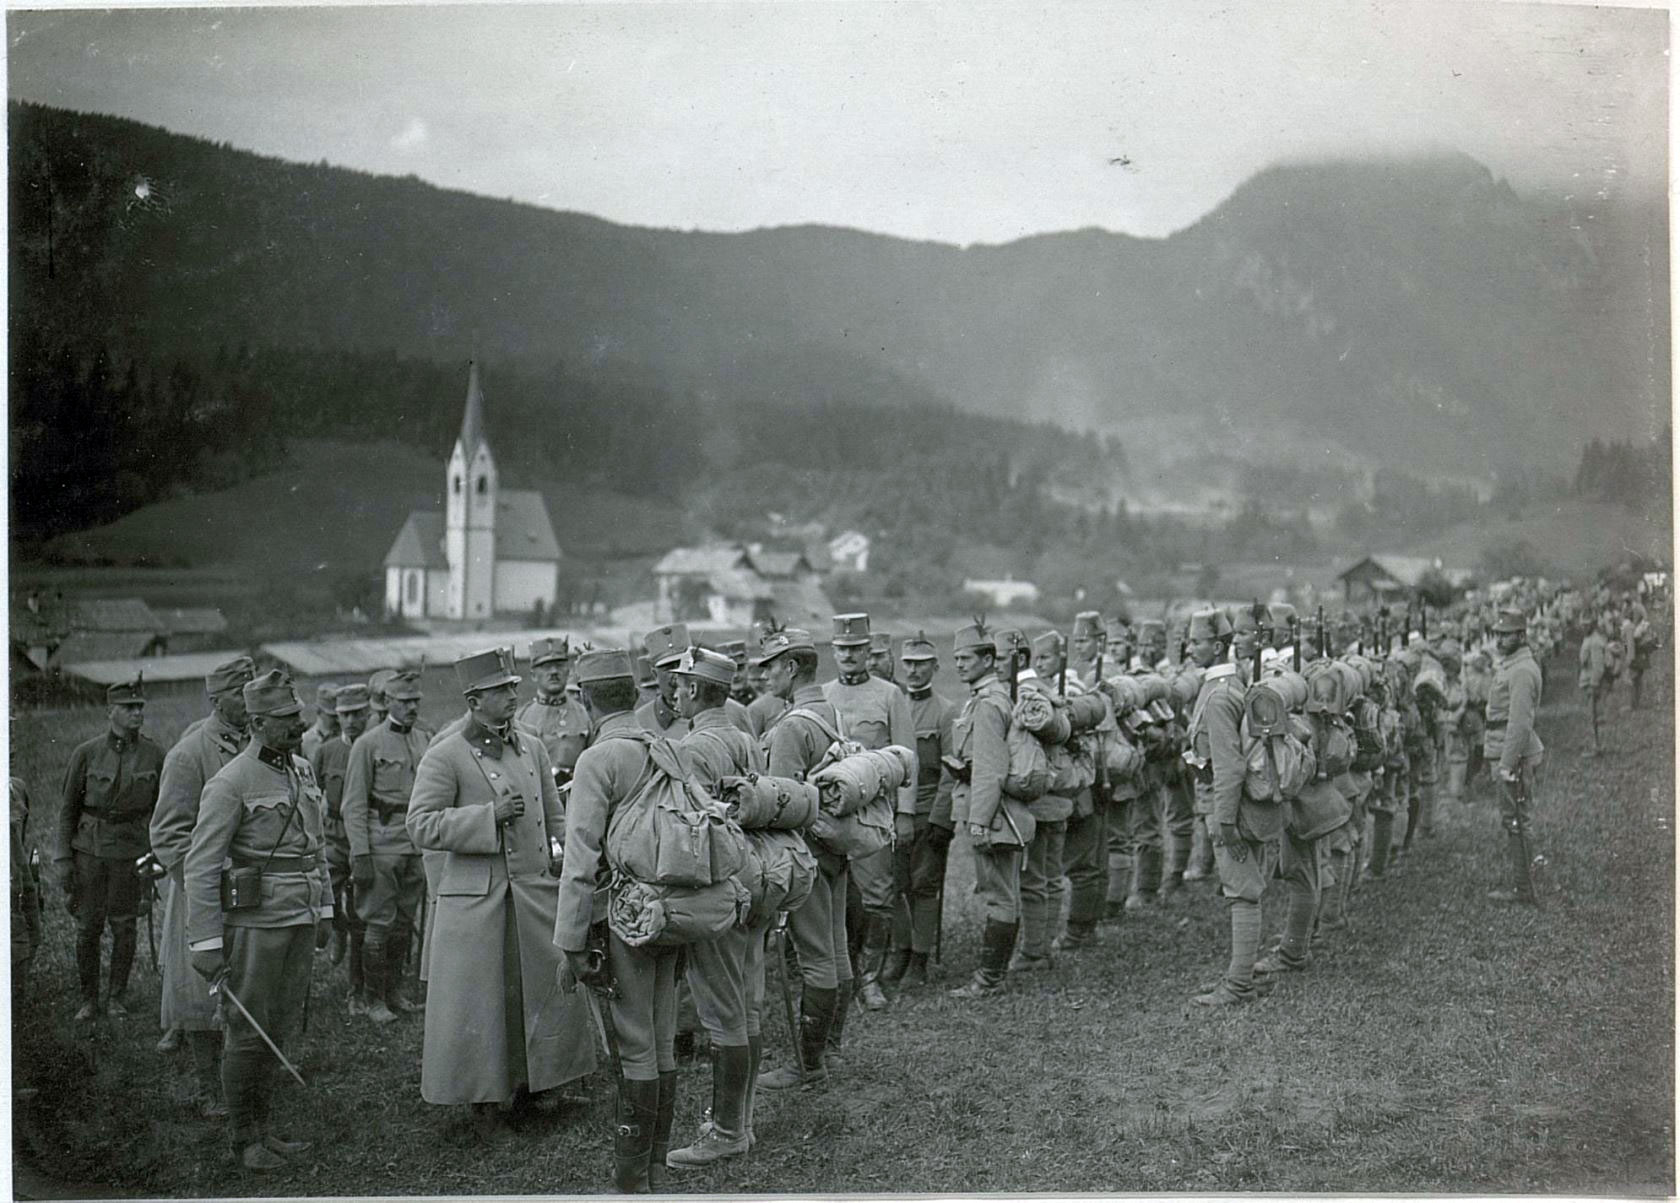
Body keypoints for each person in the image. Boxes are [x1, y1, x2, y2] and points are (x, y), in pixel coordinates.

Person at [408, 647, 596, 1139]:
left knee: (538, 993)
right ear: (474, 701)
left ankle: (537, 1086)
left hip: (532, 891)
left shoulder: (530, 745)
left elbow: (554, 814)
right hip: (478, 902)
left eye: (513, 687)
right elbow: (420, 824)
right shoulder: (446, 754)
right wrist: (486, 818)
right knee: (483, 1003)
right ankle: (486, 1106)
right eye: (500, 690)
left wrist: (567, 857)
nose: (513, 695)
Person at [184, 670, 333, 1172]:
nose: (298, 724)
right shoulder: (231, 782)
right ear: (257, 723)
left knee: (279, 1027)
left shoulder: (302, 771)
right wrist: (206, 943)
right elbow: (202, 866)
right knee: (248, 1032)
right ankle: (244, 1139)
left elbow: (317, 849)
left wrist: (326, 909)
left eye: (297, 715)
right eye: (286, 718)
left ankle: (265, 1130)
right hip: (256, 924)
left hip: (300, 917)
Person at [555, 647, 686, 1191]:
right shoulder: (665, 747)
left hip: (621, 918)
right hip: (671, 911)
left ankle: (632, 1180)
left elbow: (580, 860)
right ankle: (655, 1165)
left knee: (633, 1044)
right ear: (634, 695)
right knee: (660, 1038)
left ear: (587, 702)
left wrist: (570, 940)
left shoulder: (597, 760)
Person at [665, 646, 765, 1168]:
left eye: (679, 684)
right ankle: (740, 1121)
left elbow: (691, 833)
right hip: (758, 876)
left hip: (721, 884)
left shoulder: (691, 748)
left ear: (693, 690)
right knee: (747, 1005)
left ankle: (727, 1133)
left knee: (724, 1011)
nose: (673, 692)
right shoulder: (744, 737)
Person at [150, 654, 254, 1115]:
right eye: (239, 693)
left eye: (251, 691)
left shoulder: (260, 744)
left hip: (252, 890)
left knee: (247, 981)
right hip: (203, 891)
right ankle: (209, 1087)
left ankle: (243, 1076)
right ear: (216, 700)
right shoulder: (190, 752)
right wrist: (204, 885)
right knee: (200, 990)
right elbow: (167, 833)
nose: (248, 701)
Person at [755, 627, 847, 1092]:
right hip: (836, 846)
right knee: (837, 949)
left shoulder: (792, 726)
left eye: (770, 666)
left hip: (805, 854)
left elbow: (780, 804)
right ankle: (827, 1046)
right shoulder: (830, 711)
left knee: (816, 958)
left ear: (791, 668)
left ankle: (807, 1066)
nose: (765, 675)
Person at [1186, 607, 1281, 1007]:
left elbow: (1230, 766)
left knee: (1242, 892)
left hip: (1230, 807)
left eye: (1197, 642)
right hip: (1236, 804)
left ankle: (1239, 984)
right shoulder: (1228, 686)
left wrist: (1225, 822)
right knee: (1246, 889)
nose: (1189, 649)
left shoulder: (1219, 695)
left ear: (1218, 646)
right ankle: (1242, 976)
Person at [823, 612, 917, 1012]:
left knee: (878, 895)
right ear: (833, 651)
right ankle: (839, 976)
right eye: (842, 649)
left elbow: (907, 758)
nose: (848, 656)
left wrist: (906, 813)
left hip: (874, 815)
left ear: (868, 651)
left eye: (856, 649)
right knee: (833, 896)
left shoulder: (889, 695)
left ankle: (870, 979)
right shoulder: (823, 695)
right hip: (830, 814)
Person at [56, 676, 164, 1021]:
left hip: (131, 853)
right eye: (128, 707)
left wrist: (155, 857)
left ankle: (117, 996)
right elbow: (68, 810)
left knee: (125, 926)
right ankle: (89, 999)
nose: (137, 713)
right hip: (90, 852)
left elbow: (162, 811)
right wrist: (63, 859)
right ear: (110, 711)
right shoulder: (86, 753)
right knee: (88, 927)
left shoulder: (154, 754)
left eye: (139, 707)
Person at [342, 668, 431, 1024]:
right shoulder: (368, 744)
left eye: (416, 701)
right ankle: (373, 998)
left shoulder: (425, 739)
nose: (412, 707)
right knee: (378, 923)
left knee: (404, 923)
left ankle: (394, 992)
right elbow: (354, 804)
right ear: (387, 701)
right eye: (404, 701)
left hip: (416, 844)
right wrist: (360, 853)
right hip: (381, 845)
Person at [948, 620, 1032, 998]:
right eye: (956, 658)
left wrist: (979, 822)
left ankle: (988, 980)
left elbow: (989, 769)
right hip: (998, 808)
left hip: (995, 813)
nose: (959, 665)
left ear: (987, 660)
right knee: (1004, 892)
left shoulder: (987, 704)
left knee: (1000, 894)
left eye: (965, 658)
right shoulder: (990, 697)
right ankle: (994, 975)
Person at [880, 632, 956, 990]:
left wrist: (941, 819)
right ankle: (901, 950)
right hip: (891, 811)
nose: (913, 670)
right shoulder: (891, 704)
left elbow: (951, 771)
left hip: (927, 811)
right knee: (893, 886)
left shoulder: (945, 711)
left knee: (924, 887)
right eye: (908, 663)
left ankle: (920, 959)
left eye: (921, 664)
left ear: (935, 667)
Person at [309, 683, 372, 1012]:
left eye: (358, 714)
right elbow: (313, 792)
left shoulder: (375, 747)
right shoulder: (326, 751)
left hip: (365, 838)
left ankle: (356, 988)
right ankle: (337, 931)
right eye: (344, 715)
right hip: (334, 837)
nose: (351, 721)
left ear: (369, 713)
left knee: (363, 913)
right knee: (326, 898)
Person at [1485, 608, 1544, 905]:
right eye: (1497, 634)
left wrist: (1507, 764)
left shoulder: (1521, 670)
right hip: (1506, 747)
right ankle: (1525, 883)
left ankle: (1525, 888)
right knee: (1515, 818)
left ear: (1521, 635)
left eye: (1506, 635)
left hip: (1513, 753)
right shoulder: (1514, 664)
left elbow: (1519, 723)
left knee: (1517, 820)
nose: (1499, 639)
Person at [514, 637, 590, 781]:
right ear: (533, 675)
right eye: (546, 667)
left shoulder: (585, 715)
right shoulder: (520, 718)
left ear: (568, 671)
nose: (554, 672)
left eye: (559, 665)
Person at [638, 625, 693, 738]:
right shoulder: (640, 722)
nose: (677, 673)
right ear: (655, 675)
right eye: (669, 668)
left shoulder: (719, 711)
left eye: (682, 664)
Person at [1577, 616, 1612, 757]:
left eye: (1586, 625)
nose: (1583, 627)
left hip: (1593, 683)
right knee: (1591, 715)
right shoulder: (1590, 638)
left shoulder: (1595, 642)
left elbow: (1598, 667)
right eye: (1582, 625)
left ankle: (1596, 746)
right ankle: (1595, 744)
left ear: (1592, 625)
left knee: (1593, 716)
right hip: (1589, 681)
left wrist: (1594, 684)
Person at [300, 684, 339, 763]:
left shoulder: (345, 737)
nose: (338, 720)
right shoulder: (305, 741)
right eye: (333, 716)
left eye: (340, 715)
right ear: (318, 710)